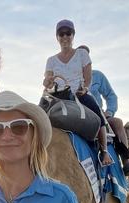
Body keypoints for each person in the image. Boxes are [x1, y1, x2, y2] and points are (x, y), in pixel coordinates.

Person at [43, 20, 113, 166]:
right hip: (58, 96)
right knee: (38, 115)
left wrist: (85, 89)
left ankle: (104, 151)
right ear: (57, 37)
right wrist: (47, 82)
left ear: (73, 35)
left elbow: (87, 78)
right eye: (61, 34)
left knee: (98, 116)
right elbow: (47, 81)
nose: (65, 37)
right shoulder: (51, 60)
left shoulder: (81, 54)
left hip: (78, 94)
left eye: (68, 33)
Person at [76, 45, 129, 175]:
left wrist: (109, 112)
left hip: (98, 112)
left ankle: (126, 162)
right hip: (75, 111)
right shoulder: (70, 76)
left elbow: (111, 96)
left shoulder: (97, 76)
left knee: (117, 122)